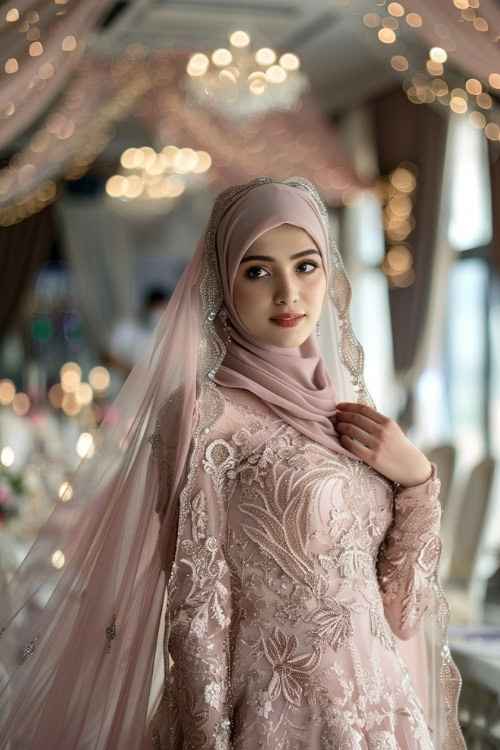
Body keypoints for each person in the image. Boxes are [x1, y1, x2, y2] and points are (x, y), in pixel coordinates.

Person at [0, 177, 465, 749]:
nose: (289, 293)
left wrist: (418, 482)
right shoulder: (203, 415)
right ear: (223, 282)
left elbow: (403, 612)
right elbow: (197, 608)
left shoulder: (351, 413)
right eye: (258, 270)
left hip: (381, 715)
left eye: (306, 266)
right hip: (273, 723)